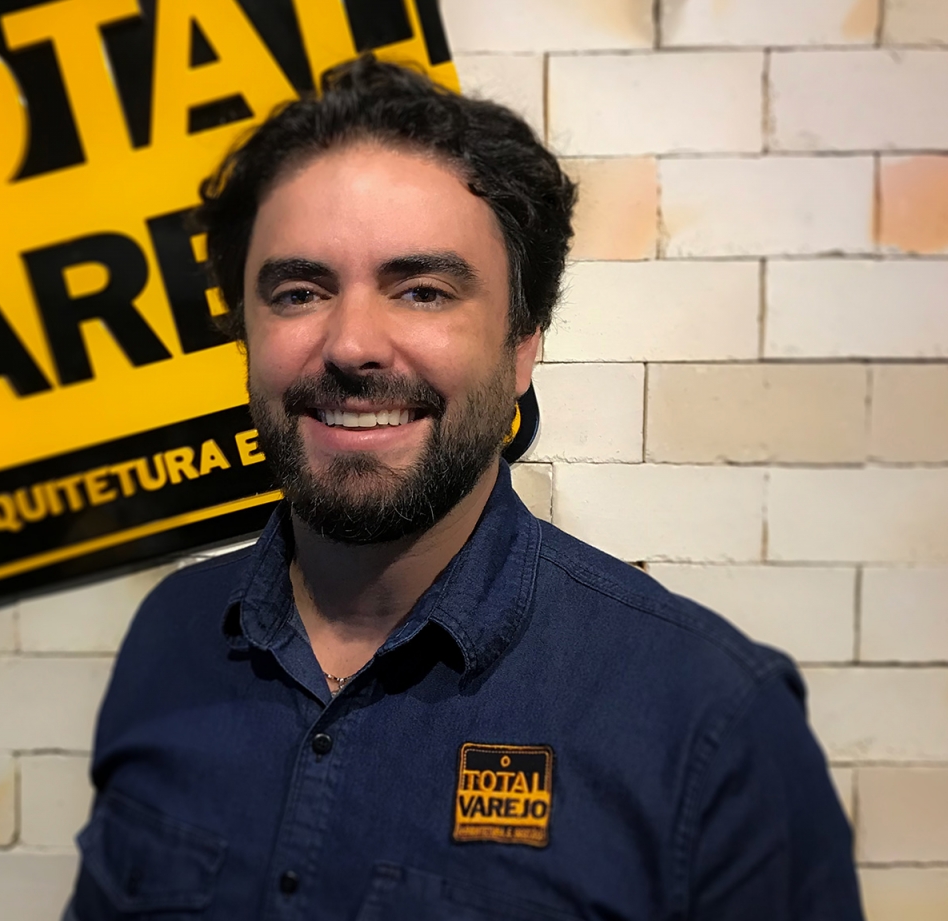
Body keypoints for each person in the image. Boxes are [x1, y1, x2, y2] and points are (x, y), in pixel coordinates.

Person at [64, 56, 863, 920]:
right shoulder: (169, 638)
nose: (352, 345)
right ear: (245, 336)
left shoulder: (714, 724)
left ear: (522, 343)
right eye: (299, 292)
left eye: (422, 291)